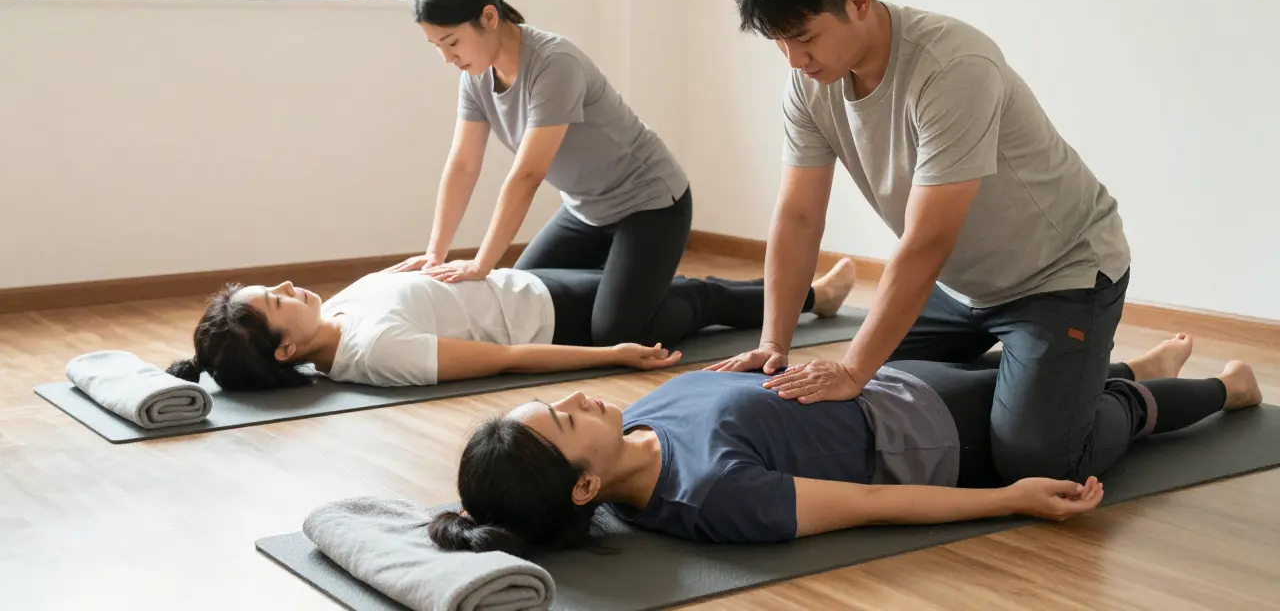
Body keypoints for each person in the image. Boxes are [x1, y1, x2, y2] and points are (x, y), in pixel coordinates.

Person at [715, 0, 1141, 482]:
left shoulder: (953, 67)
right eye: (779, 42)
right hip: (961, 287)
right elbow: (797, 217)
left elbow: (927, 240)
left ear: (859, 2)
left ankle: (1151, 388)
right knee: (884, 401)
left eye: (804, 37)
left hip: (1059, 275)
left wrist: (852, 370)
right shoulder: (810, 84)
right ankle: (1057, 379)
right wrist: (774, 342)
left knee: (1038, 460)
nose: (794, 59)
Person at [427, 339, 1262, 554]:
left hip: (888, 382)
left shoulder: (637, 418)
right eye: (565, 419)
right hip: (936, 438)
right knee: (1098, 416)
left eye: (556, 401)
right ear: (583, 488)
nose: (577, 399)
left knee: (1043, 372)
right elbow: (869, 503)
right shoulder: (710, 496)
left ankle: (1133, 368)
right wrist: (1008, 499)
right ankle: (1227, 390)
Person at [385, 0, 693, 349]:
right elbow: (462, 165)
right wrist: (435, 253)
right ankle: (634, 285)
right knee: (527, 305)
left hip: (649, 203)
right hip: (586, 210)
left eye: (452, 42)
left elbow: (527, 175)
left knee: (618, 333)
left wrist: (482, 263)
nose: (448, 58)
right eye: (437, 47)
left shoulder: (554, 63)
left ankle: (703, 295)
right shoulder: (476, 79)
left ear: (489, 17)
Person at [163, 259, 858, 391]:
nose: (289, 287)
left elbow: (400, 281)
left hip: (521, 283)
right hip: (554, 316)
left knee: (686, 286)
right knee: (695, 301)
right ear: (287, 348)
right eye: (278, 300)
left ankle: (808, 294)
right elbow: (504, 359)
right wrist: (610, 355)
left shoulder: (334, 316)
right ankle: (814, 299)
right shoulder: (378, 354)